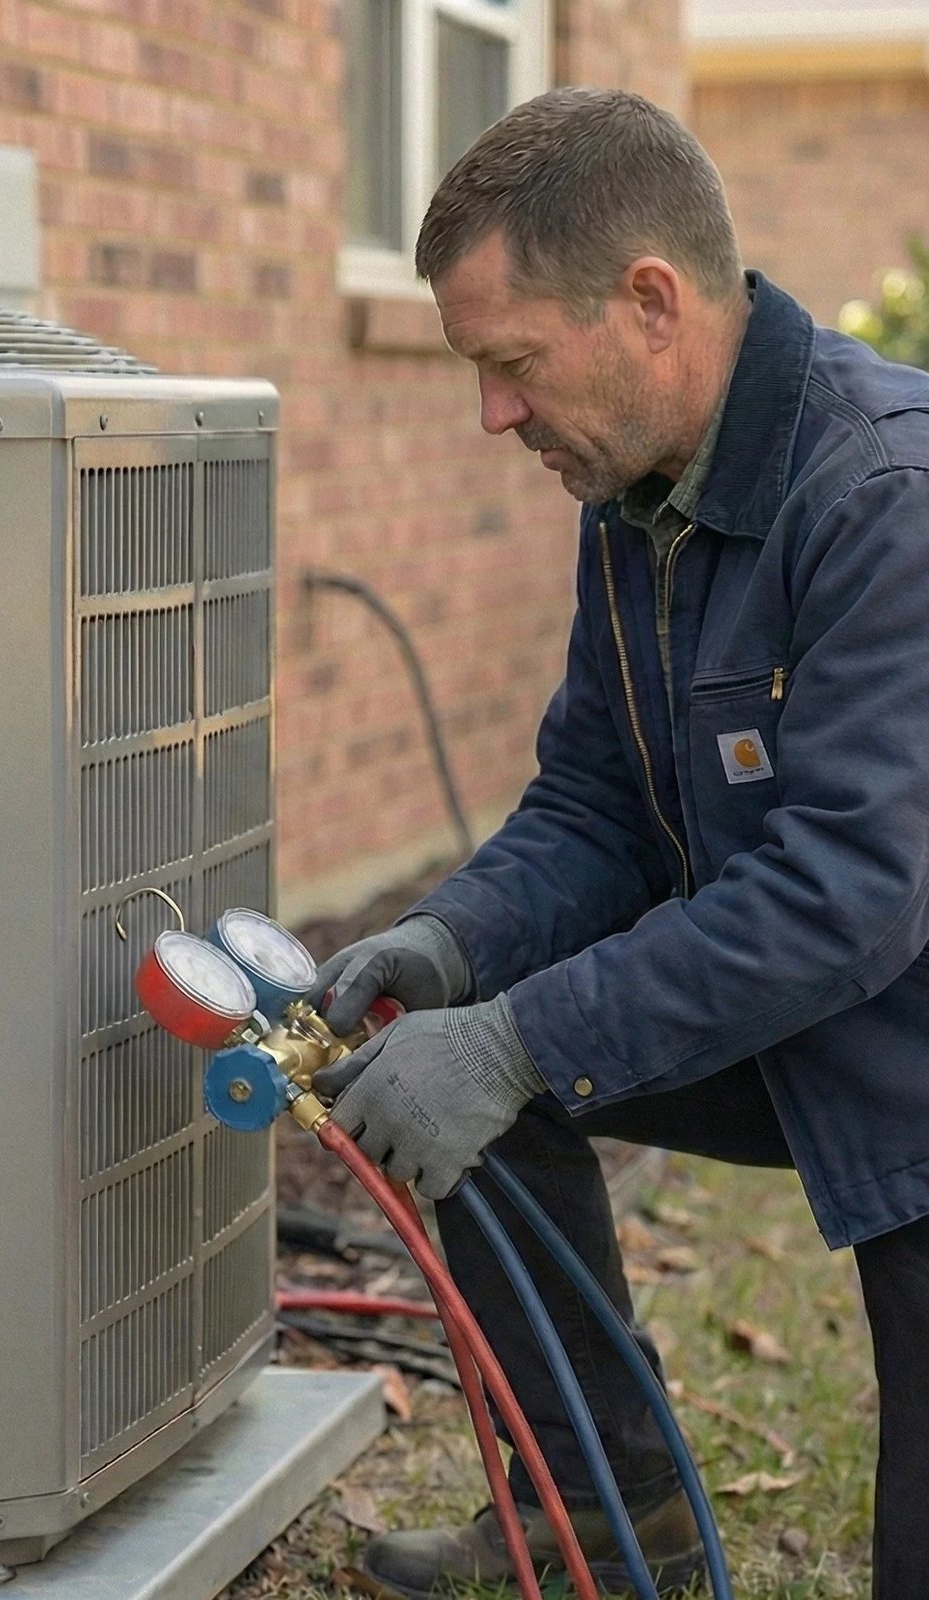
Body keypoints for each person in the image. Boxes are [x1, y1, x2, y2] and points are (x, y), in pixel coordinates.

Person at [308, 87, 929, 1599]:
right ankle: (603, 1504)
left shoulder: (884, 498)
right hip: (833, 1008)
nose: (492, 415)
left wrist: (522, 1038)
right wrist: (450, 948)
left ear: (650, 300)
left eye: (511, 364)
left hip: (902, 1025)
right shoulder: (640, 488)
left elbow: (853, 894)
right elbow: (595, 803)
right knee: (452, 1049)